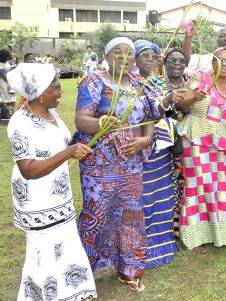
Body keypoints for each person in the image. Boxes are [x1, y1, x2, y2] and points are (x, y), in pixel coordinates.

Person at [74, 37, 162, 292]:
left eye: (129, 53)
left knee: (130, 215)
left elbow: (151, 115)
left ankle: (128, 269)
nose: (123, 57)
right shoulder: (94, 81)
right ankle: (82, 271)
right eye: (117, 52)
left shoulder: (139, 83)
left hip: (131, 163)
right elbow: (81, 119)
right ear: (107, 55)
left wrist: (145, 139)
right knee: (96, 213)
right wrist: (102, 124)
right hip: (99, 163)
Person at [7, 63, 97, 301]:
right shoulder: (19, 123)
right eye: (57, 87)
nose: (61, 91)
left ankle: (75, 292)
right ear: (40, 92)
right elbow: (28, 170)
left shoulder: (52, 114)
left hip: (59, 193)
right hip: (37, 198)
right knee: (44, 251)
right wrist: (69, 153)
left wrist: (98, 129)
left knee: (66, 243)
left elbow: (62, 144)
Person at [176, 47, 226, 254]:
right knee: (197, 183)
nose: (224, 64)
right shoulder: (201, 77)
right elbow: (181, 106)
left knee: (220, 186)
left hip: (221, 142)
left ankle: (220, 233)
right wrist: (194, 97)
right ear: (212, 63)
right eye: (219, 60)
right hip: (196, 137)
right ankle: (196, 237)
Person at [133, 39, 178, 268]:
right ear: (134, 58)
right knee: (143, 197)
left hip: (162, 148)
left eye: (153, 56)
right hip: (138, 148)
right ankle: (140, 248)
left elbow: (167, 111)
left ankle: (162, 246)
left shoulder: (159, 82)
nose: (149, 60)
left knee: (162, 196)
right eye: (145, 55)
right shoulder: (129, 83)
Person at [151, 47, 200, 239]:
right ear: (164, 63)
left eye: (181, 60)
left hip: (187, 139)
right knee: (165, 182)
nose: (177, 64)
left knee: (185, 182)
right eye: (172, 60)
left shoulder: (192, 82)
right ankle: (166, 226)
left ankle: (183, 226)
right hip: (161, 139)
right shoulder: (155, 82)